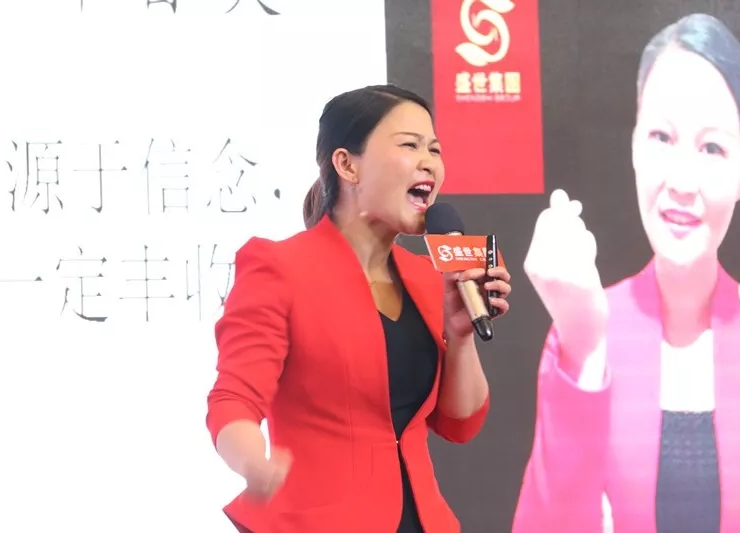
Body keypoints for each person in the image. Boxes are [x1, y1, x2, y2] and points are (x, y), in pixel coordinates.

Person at [206, 84, 512, 533]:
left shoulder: (429, 278)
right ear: (347, 164)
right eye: (409, 145)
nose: (429, 162)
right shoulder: (280, 268)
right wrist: (254, 462)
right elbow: (234, 398)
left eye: (435, 149)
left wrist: (461, 335)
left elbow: (459, 424)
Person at [514, 13, 740, 533]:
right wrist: (583, 344)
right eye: (661, 136)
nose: (682, 182)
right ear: (633, 147)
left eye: (712, 147)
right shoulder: (583, 334)